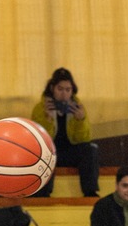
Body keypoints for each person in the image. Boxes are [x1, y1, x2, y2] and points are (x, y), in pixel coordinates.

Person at [31, 67, 100, 198]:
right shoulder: (41, 108)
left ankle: (90, 192)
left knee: (91, 149)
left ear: (72, 91)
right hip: (50, 154)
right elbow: (39, 141)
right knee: (45, 150)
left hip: (70, 153)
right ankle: (43, 194)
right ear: (52, 88)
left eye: (68, 90)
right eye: (60, 89)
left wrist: (81, 120)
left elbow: (84, 139)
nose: (64, 94)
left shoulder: (77, 107)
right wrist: (48, 119)